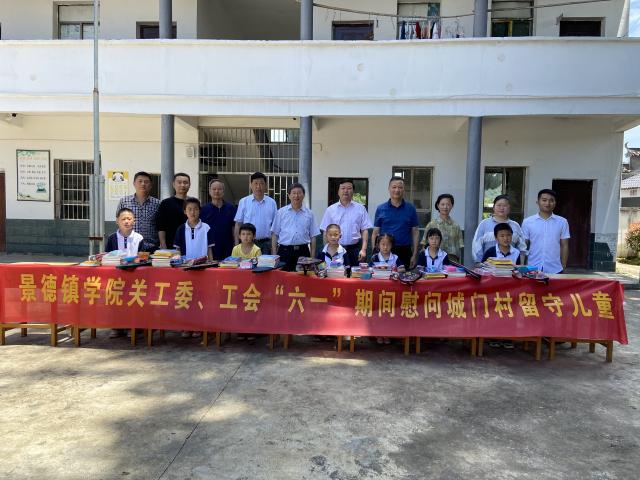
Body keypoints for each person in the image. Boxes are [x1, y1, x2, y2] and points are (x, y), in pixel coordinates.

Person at [107, 208, 143, 339]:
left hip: (134, 276)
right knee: (116, 301)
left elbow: (142, 257)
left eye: (129, 218)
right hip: (116, 276)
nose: (126, 221)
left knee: (133, 301)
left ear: (134, 220)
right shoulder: (112, 238)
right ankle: (117, 326)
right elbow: (108, 257)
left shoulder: (139, 238)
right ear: (117, 221)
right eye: (123, 219)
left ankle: (132, 327)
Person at [319, 179, 373, 265]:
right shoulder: (330, 210)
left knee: (354, 272)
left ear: (353, 192)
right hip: (335, 250)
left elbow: (365, 230)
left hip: (355, 250)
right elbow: (325, 231)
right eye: (343, 188)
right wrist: (326, 250)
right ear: (338, 192)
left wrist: (363, 250)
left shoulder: (360, 209)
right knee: (336, 272)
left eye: (349, 188)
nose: (346, 191)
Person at [372, 177, 419, 269]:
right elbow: (375, 232)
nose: (397, 190)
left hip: (404, 250)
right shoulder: (381, 208)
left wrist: (415, 254)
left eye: (400, 187)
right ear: (389, 189)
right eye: (394, 187)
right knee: (383, 276)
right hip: (385, 250)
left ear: (404, 190)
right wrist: (375, 251)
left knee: (404, 276)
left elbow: (415, 232)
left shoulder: (411, 208)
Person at [271, 183, 319, 272]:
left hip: (303, 251)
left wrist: (312, 257)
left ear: (303, 195)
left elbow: (313, 236)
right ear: (289, 195)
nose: (296, 196)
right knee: (283, 277)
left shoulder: (310, 214)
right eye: (294, 193)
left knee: (302, 278)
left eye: (299, 193)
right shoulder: (281, 212)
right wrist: (274, 255)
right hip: (284, 251)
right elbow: (275, 234)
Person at [522, 189, 570, 274]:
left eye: (551, 200)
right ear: (538, 202)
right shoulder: (527, 222)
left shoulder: (562, 222)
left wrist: (563, 266)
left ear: (555, 203)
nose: (547, 203)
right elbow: (523, 245)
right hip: (532, 267)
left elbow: (564, 245)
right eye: (544, 200)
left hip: (555, 268)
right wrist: (522, 265)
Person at [472, 194, 526, 264]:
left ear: (509, 208)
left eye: (505, 205)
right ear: (493, 207)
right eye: (499, 205)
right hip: (488, 266)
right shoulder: (484, 224)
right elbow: (477, 245)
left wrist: (520, 265)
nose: (502, 208)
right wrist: (479, 262)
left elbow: (522, 247)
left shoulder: (515, 225)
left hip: (511, 267)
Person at [234, 172, 277, 255]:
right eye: (256, 183)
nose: (258, 186)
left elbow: (274, 227)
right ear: (250, 185)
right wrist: (237, 245)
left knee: (265, 264)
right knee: (247, 264)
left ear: (266, 185)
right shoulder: (244, 201)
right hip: (248, 244)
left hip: (266, 244)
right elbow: (238, 224)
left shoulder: (272, 203)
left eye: (261, 183)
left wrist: (274, 247)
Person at [116, 171, 160, 252]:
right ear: (134, 183)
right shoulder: (124, 201)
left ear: (150, 185)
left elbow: (160, 225)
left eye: (146, 182)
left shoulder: (157, 203)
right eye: (140, 181)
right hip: (129, 247)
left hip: (151, 247)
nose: (143, 184)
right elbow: (119, 222)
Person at [201, 179, 237, 261]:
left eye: (219, 189)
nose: (217, 191)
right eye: (214, 189)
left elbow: (234, 227)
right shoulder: (203, 210)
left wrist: (236, 244)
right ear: (209, 191)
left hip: (228, 247)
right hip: (210, 248)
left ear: (223, 192)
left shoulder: (231, 208)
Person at [420, 193, 463, 262]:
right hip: (436, 261)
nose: (445, 207)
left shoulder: (456, 226)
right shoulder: (431, 225)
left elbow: (460, 247)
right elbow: (424, 245)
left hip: (452, 261)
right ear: (438, 205)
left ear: (452, 206)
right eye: (442, 204)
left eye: (448, 204)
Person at [157, 172, 191, 250]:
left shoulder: (193, 203)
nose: (182, 185)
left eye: (185, 182)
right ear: (173, 184)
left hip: (190, 244)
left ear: (189, 185)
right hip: (170, 245)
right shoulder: (165, 203)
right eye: (179, 182)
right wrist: (163, 245)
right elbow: (161, 226)